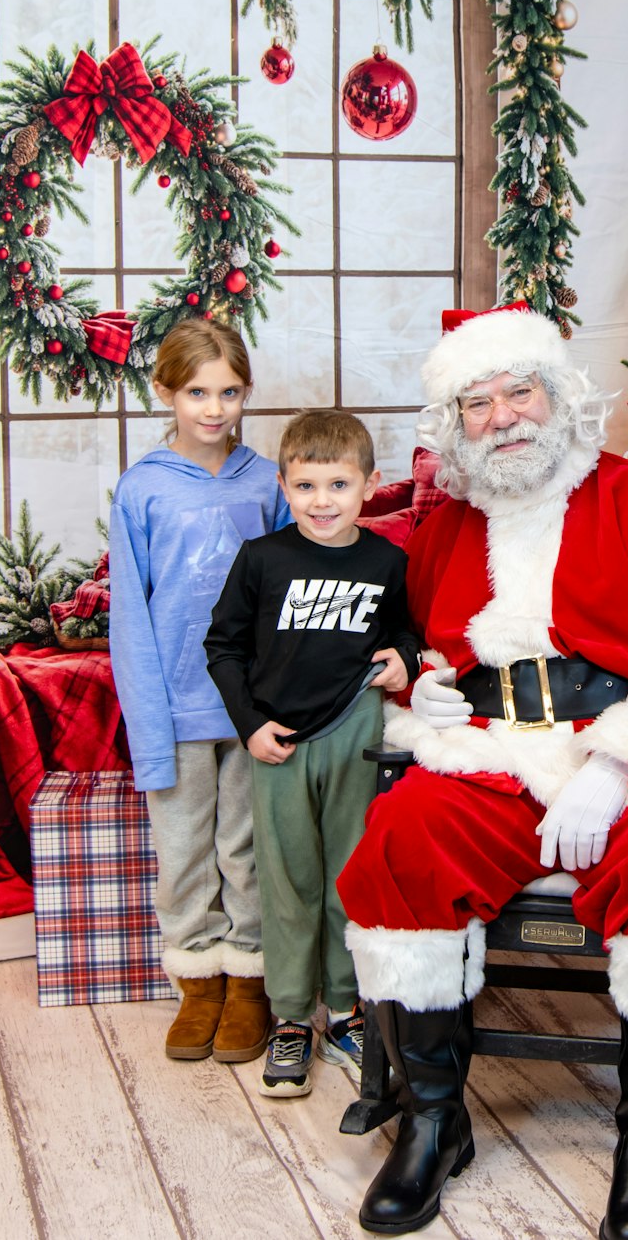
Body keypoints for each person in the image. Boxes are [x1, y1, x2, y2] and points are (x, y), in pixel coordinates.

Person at [335, 305, 628, 1240]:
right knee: (402, 840)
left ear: (558, 395)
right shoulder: (447, 529)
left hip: (620, 754)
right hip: (490, 754)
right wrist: (432, 697)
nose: (503, 417)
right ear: (456, 426)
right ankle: (435, 1122)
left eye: (517, 390)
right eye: (476, 403)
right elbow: (431, 648)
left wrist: (614, 766)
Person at [205, 409, 423, 1098]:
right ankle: (294, 1013)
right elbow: (224, 647)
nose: (321, 500)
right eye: (305, 485)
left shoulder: (388, 562)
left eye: (337, 483)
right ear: (282, 485)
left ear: (370, 484)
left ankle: (348, 1009)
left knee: (348, 878)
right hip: (278, 743)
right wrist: (249, 727)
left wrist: (406, 660)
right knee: (288, 880)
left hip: (355, 733)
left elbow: (407, 636)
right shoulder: (263, 560)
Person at [108, 320, 288, 1065]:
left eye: (230, 391)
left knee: (246, 849)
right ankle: (197, 979)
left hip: (251, 709)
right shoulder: (142, 488)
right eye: (197, 392)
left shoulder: (267, 480)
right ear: (166, 392)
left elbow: (289, 598)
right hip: (176, 705)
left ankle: (249, 976)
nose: (214, 408)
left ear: (246, 393)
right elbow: (130, 617)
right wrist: (148, 725)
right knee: (182, 848)